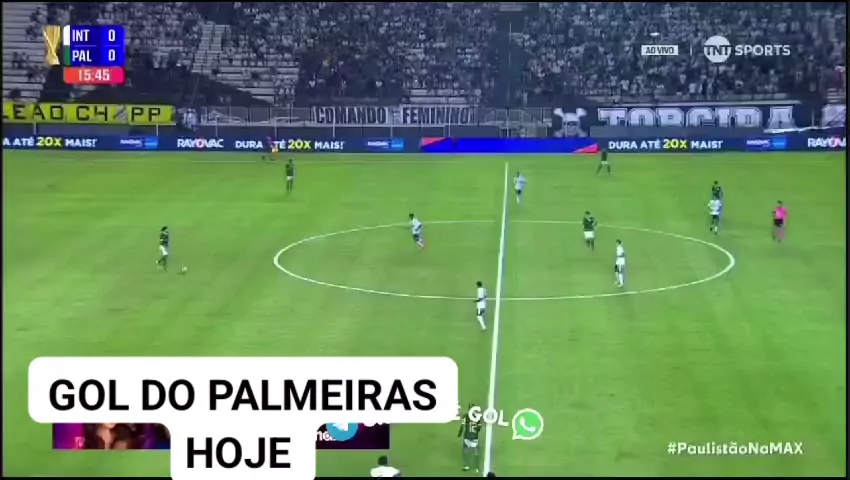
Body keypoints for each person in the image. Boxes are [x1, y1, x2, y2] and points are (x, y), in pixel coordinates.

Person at [458, 404, 483, 472]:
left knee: (465, 452)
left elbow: (462, 427)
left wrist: (459, 435)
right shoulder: (477, 418)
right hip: (474, 437)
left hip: (467, 437)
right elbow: (479, 429)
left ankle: (466, 465)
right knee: (476, 452)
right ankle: (477, 467)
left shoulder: (465, 417)